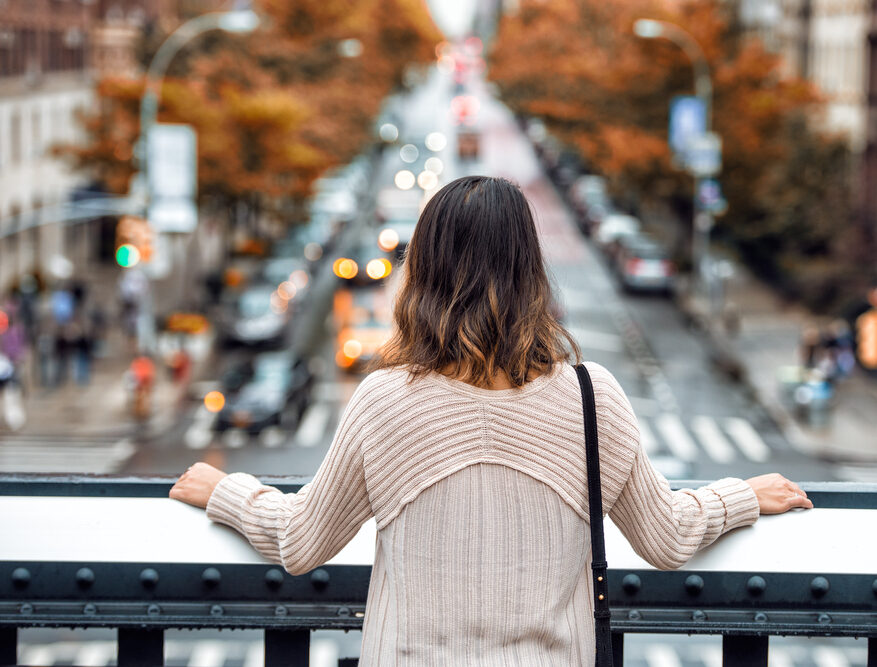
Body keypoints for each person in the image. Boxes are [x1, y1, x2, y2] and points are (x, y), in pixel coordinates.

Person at [171, 176, 812, 665]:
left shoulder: (384, 399)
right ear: (531, 271)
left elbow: (301, 542)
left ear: (422, 272)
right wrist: (742, 496)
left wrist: (224, 491)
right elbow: (667, 538)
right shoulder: (592, 398)